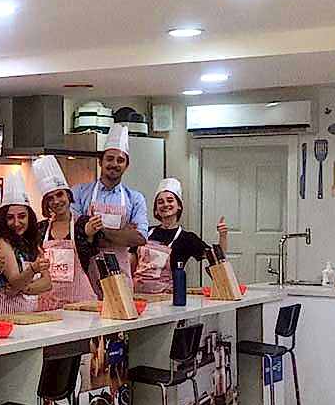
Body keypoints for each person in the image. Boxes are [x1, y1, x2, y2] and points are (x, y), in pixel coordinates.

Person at [70, 124, 149, 292]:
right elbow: (75, 234)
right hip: (86, 274)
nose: (114, 164)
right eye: (110, 158)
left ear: (126, 165)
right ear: (100, 161)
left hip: (121, 273)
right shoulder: (79, 192)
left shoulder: (135, 198)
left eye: (120, 160)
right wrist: (123, 233)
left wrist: (98, 231)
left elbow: (140, 238)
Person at [132, 177, 230, 294]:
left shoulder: (188, 238)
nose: (165, 204)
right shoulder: (145, 232)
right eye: (160, 202)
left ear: (179, 206)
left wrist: (223, 235)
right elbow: (130, 263)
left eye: (170, 200)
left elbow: (217, 259)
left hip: (168, 297)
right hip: (138, 294)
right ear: (156, 210)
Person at [32, 155, 98, 309]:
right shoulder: (41, 229)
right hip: (49, 302)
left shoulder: (82, 224)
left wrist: (90, 234)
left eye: (59, 194)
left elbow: (90, 250)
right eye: (50, 198)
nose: (56, 201)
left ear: (68, 195)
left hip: (80, 302)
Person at [0, 170, 51, 314]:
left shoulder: (33, 244)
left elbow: (47, 283)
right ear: (3, 220)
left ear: (30, 217)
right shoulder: (3, 243)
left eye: (22, 216)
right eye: (10, 218)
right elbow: (15, 281)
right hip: (5, 311)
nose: (16, 223)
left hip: (30, 312)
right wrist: (32, 271)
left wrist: (22, 289)